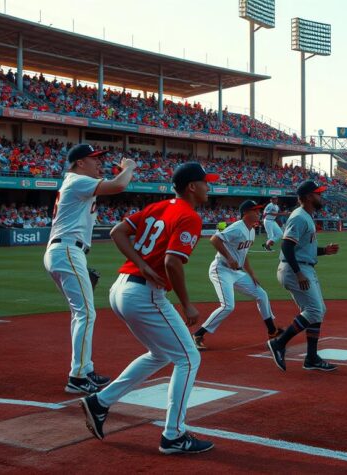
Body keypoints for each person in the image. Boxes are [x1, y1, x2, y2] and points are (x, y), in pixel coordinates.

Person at [80, 162, 218, 454]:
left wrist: (140, 262)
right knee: (189, 359)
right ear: (192, 186)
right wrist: (187, 305)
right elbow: (171, 262)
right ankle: (174, 435)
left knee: (161, 354)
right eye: (205, 182)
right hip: (144, 294)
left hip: (122, 288)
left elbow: (118, 232)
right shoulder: (189, 216)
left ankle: (100, 402)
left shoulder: (159, 206)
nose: (209, 186)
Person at [43, 144, 137, 395]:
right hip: (66, 251)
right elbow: (119, 185)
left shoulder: (76, 181)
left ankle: (84, 369)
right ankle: (78, 376)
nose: (99, 163)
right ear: (79, 163)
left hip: (66, 252)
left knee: (81, 313)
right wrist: (128, 167)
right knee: (85, 313)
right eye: (94, 159)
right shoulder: (76, 180)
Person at [266, 180, 340, 372]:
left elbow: (303, 249)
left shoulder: (306, 216)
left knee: (318, 310)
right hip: (295, 270)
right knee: (315, 310)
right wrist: (298, 273)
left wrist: (325, 251)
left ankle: (312, 357)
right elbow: (286, 246)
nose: (320, 196)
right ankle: (279, 343)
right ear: (308, 197)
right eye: (318, 193)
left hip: (303, 267)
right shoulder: (299, 217)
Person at [193, 200, 283, 351]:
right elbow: (214, 239)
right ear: (246, 213)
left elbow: (244, 254)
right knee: (228, 306)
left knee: (261, 294)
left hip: (236, 273)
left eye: (258, 210)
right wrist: (229, 258)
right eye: (255, 210)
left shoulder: (251, 231)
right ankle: (198, 335)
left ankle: (272, 331)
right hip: (221, 270)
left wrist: (252, 274)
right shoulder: (237, 227)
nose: (258, 213)